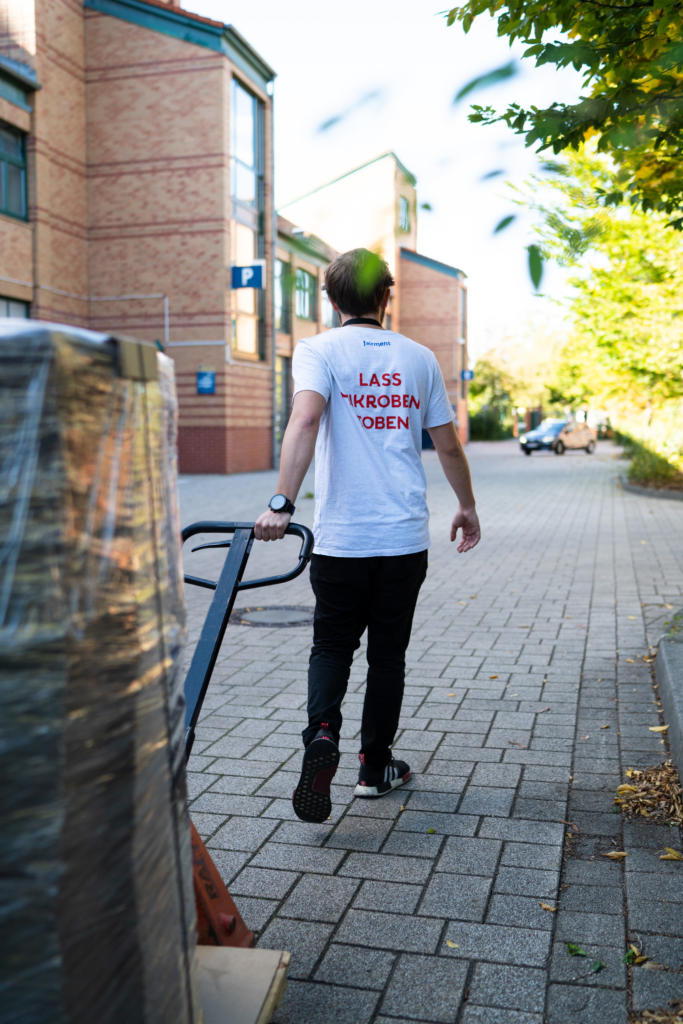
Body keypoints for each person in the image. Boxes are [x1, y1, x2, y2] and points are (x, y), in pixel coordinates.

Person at [255, 248, 480, 823]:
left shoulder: (319, 350)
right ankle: (373, 766)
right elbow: (448, 444)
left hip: (343, 539)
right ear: (387, 297)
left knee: (331, 646)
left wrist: (281, 504)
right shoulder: (420, 357)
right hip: (403, 537)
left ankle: (322, 735)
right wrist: (467, 506)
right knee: (388, 657)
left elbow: (304, 421)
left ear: (330, 301)